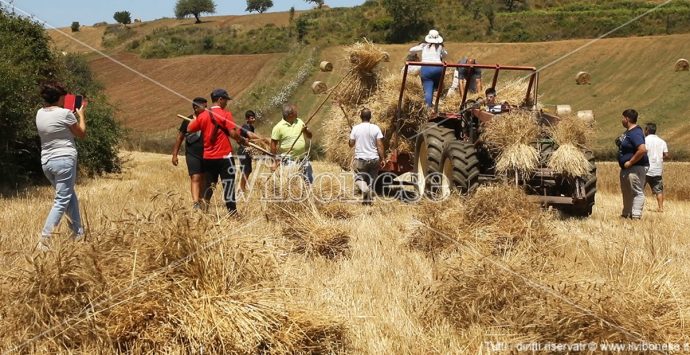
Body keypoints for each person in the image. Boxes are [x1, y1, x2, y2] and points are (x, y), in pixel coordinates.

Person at [35, 82, 87, 251]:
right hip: (64, 160)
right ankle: (44, 240)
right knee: (61, 201)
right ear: (59, 97)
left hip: (47, 163)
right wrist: (81, 115)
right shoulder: (66, 114)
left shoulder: (39, 113)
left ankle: (78, 234)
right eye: (64, 97)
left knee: (69, 196)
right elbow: (81, 133)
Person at [187, 89, 247, 215]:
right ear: (220, 99)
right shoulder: (225, 114)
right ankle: (233, 213)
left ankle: (203, 212)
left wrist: (200, 122)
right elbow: (233, 133)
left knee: (209, 186)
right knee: (228, 185)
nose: (226, 103)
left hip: (208, 157)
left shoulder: (203, 115)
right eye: (226, 100)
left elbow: (190, 128)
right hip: (225, 157)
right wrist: (242, 140)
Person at [172, 97, 211, 210]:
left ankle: (201, 200)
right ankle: (195, 203)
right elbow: (180, 138)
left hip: (207, 154)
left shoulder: (208, 119)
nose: (206, 108)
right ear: (195, 107)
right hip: (192, 154)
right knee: (195, 177)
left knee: (204, 177)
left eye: (206, 106)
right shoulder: (187, 120)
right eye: (204, 106)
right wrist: (175, 155)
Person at [616, 109, 649, 219]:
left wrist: (630, 162)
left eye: (622, 118)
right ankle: (626, 214)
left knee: (636, 192)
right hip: (627, 168)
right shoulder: (629, 132)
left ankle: (636, 216)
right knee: (627, 192)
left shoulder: (635, 132)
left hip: (635, 167)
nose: (621, 120)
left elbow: (642, 150)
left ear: (627, 119)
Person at [349, 108, 385, 205]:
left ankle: (364, 190)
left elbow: (351, 144)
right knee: (371, 181)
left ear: (361, 117)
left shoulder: (355, 128)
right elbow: (380, 145)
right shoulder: (375, 128)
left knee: (359, 179)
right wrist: (382, 158)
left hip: (361, 159)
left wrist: (351, 135)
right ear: (370, 117)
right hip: (374, 159)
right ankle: (367, 203)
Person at [270, 104, 314, 184]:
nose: (297, 113)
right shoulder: (278, 127)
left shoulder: (299, 121)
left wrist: (306, 130)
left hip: (302, 158)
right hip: (289, 160)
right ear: (290, 115)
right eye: (295, 112)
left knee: (309, 179)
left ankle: (308, 193)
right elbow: (273, 145)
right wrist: (275, 161)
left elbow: (310, 136)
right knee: (292, 182)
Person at [409, 29, 448, 108]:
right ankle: (438, 106)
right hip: (439, 69)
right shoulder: (440, 46)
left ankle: (428, 109)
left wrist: (419, 49)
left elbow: (411, 50)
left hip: (426, 68)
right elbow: (445, 55)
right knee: (437, 88)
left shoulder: (424, 46)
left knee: (428, 89)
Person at [237, 110, 269, 195]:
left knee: (248, 170)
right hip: (243, 150)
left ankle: (242, 188)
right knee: (246, 170)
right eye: (252, 118)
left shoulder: (251, 127)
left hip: (247, 151)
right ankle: (241, 189)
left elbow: (251, 139)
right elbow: (251, 135)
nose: (254, 119)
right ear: (247, 119)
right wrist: (263, 139)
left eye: (254, 117)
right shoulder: (245, 126)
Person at [644, 123, 669, 212]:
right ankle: (661, 208)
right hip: (657, 169)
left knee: (640, 189)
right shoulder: (662, 141)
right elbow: (666, 154)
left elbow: (641, 151)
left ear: (647, 130)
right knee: (659, 190)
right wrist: (659, 157)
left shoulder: (644, 140)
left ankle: (638, 207)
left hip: (645, 169)